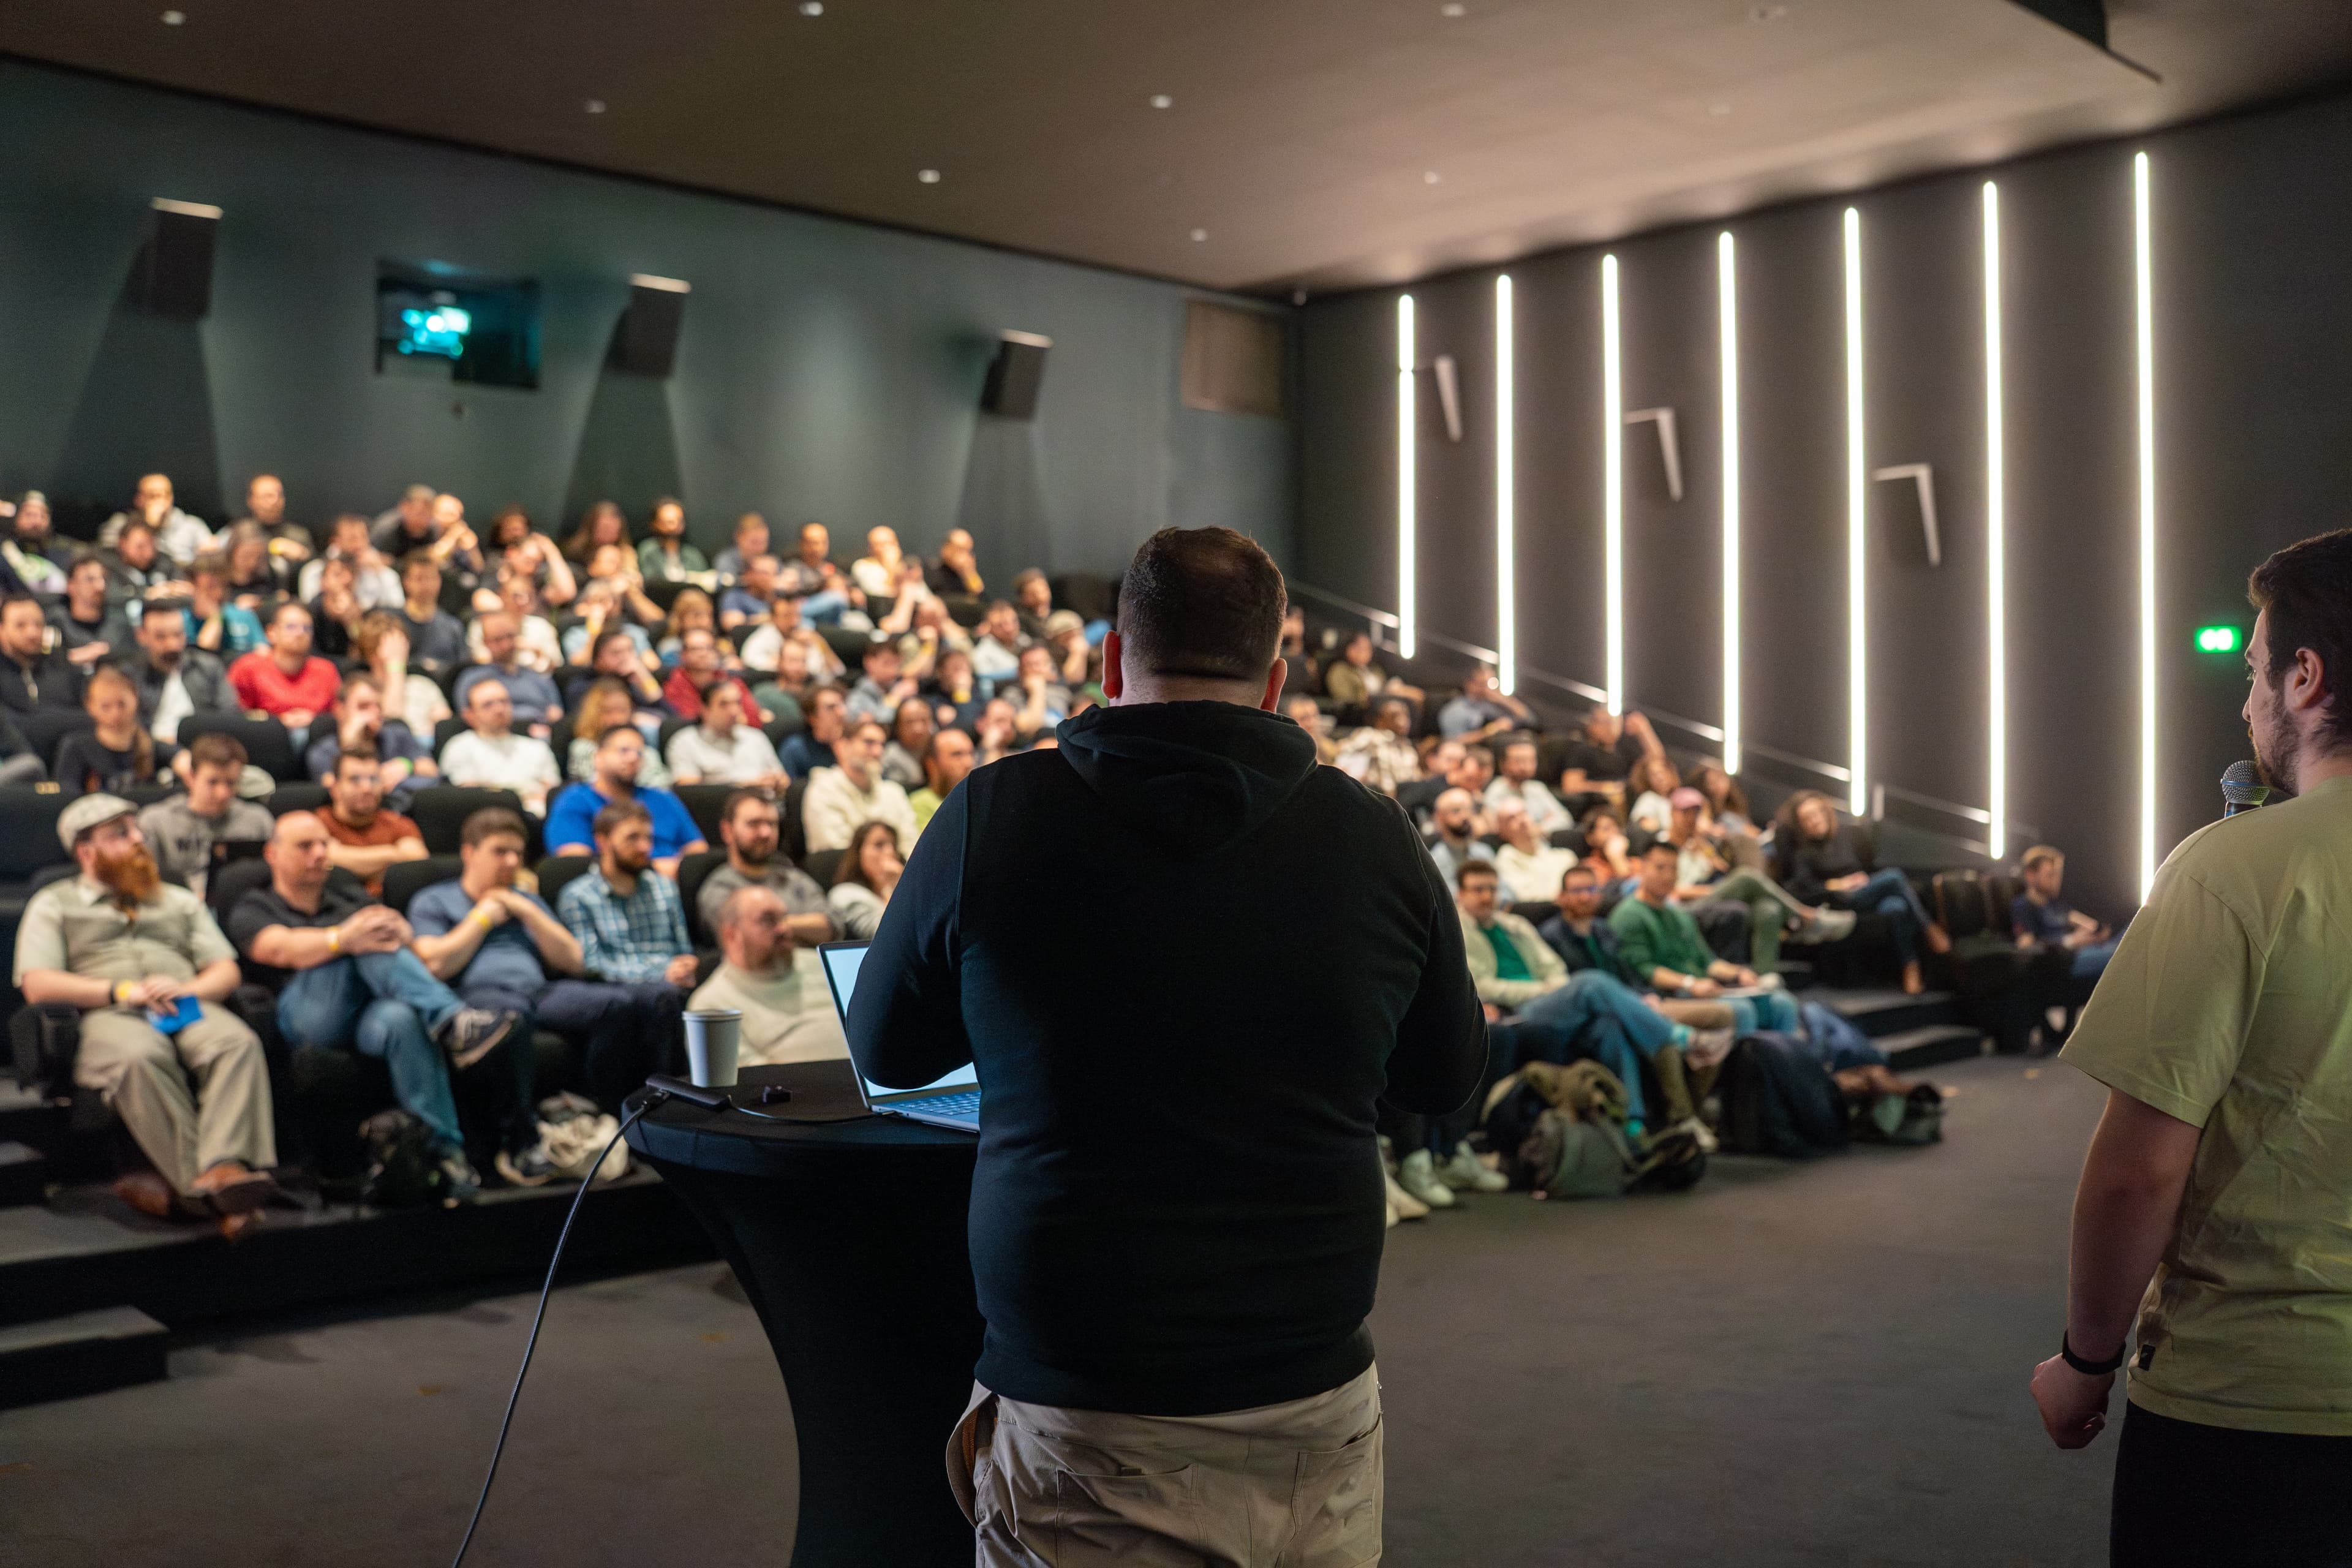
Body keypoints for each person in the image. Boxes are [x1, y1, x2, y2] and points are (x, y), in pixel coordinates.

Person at [846, 526, 1484, 1566]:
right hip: (1312, 1399)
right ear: (1275, 680)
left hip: (1082, 1412)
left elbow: (887, 1050)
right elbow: (1445, 1075)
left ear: (1111, 660)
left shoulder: (995, 814)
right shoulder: (1377, 835)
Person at [2029, 530, 2352, 1563]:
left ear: (2305, 679)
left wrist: (2086, 1361)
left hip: (2261, 1409)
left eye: (2254, 672)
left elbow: (2140, 1170)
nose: (2246, 705)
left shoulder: (2232, 868)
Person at [230, 812, 534, 1196]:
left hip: (368, 1012)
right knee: (365, 939)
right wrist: (344, 939)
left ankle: (444, 1155)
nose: (320, 854)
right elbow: (279, 948)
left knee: (401, 1018)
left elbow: (403, 947)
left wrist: (404, 935)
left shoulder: (349, 897)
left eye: (324, 844)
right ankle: (453, 1020)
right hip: (306, 1013)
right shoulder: (255, 905)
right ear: (272, 854)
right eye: (305, 846)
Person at [15, 795, 276, 1235]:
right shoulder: (54, 903)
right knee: (139, 1056)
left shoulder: (178, 900)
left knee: (235, 1041)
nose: (139, 839)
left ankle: (223, 1169)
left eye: (137, 829)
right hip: (108, 1012)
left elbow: (226, 969)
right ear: (87, 851)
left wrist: (191, 989)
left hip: (185, 1001)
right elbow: (38, 984)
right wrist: (121, 991)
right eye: (121, 834)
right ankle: (213, 1193)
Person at [412, 807, 684, 1111]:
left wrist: (526, 910)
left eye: (518, 853)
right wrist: (482, 917)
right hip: (478, 994)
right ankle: (520, 1132)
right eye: (500, 852)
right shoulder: (434, 900)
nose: (512, 861)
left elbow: (574, 961)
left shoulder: (527, 901)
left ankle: (604, 1111)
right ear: (469, 853)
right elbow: (436, 965)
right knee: (513, 1016)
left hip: (539, 992)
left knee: (617, 1004)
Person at [1455, 858, 1719, 1153]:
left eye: (1492, 889)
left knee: (1610, 1026)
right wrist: (1542, 989)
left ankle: (1631, 1124)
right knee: (1591, 982)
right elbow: (1481, 985)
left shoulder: (1516, 925)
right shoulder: (1459, 931)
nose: (1487, 896)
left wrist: (1552, 987)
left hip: (1551, 1002)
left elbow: (1555, 969)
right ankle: (1678, 1037)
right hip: (1516, 1014)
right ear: (1461, 894)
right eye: (1478, 890)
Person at [1611, 839, 1800, 1036]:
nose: (1668, 876)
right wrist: (1690, 983)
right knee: (1742, 1011)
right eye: (1660, 868)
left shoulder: (1680, 915)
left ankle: (1785, 1055)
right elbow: (1643, 970)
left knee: (1782, 1003)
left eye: (1674, 869)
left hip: (1704, 989)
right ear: (1642, 868)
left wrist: (1738, 974)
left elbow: (1707, 961)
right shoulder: (1629, 915)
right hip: (1668, 996)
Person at [1772, 788, 1951, 994]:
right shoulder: (1803, 853)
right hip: (1839, 900)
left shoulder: (1847, 836)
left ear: (1826, 813)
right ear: (1801, 825)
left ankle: (1910, 967)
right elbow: (1803, 889)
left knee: (1897, 907)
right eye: (1807, 819)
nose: (1814, 821)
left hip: (1865, 892)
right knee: (1894, 877)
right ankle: (1930, 929)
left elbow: (1868, 868)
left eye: (1817, 814)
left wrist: (1862, 880)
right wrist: (1840, 884)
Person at [687, 885, 848, 1066]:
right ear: (731, 935)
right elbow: (750, 1077)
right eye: (768, 920)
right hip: (805, 1083)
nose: (784, 928)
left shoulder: (822, 963)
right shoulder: (711, 1006)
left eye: (784, 918)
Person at [557, 798, 697, 997]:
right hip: (620, 994)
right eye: (633, 838)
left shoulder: (665, 887)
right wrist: (659, 975)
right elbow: (592, 966)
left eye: (648, 838)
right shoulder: (578, 896)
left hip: (674, 986)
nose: (644, 847)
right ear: (603, 842)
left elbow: (684, 950)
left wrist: (687, 966)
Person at [545, 726, 707, 874]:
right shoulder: (575, 800)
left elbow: (697, 849)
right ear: (598, 757)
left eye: (639, 753)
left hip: (675, 883)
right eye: (624, 750)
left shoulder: (662, 798)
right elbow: (574, 863)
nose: (633, 758)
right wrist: (655, 870)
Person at [139, 731, 272, 895]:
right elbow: (144, 882)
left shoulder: (258, 820)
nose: (222, 793)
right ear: (191, 777)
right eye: (213, 782)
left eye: (231, 783)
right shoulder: (156, 822)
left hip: (240, 903)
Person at [697, 788, 834, 944]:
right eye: (754, 824)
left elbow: (832, 926)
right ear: (727, 831)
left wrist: (778, 924)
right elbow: (745, 938)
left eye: (772, 824)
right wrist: (804, 927)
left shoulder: (794, 878)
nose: (766, 833)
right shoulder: (719, 888)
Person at [303, 673, 437, 808]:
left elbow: (431, 769)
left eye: (378, 706)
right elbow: (336, 791)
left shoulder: (397, 734)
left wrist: (408, 765)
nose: (374, 713)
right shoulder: (322, 752)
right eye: (364, 706)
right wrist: (351, 742)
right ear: (340, 710)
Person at [439, 678, 562, 813]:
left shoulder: (537, 747)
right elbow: (470, 795)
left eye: (504, 701)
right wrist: (521, 797)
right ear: (470, 715)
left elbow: (552, 791)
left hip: (539, 814)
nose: (499, 709)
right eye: (488, 705)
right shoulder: (459, 747)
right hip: (489, 816)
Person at [2011, 844, 2119, 996]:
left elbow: (2089, 924)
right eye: (2050, 875)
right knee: (2121, 956)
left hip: (2084, 952)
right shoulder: (2023, 906)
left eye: (2058, 875)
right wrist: (2071, 941)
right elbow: (2026, 945)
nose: (2056, 881)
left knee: (2126, 940)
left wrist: (2096, 933)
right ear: (2030, 875)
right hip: (2064, 962)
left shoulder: (2057, 905)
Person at [315, 748, 426, 895]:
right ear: (335, 788)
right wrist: (395, 855)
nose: (367, 788)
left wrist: (344, 860)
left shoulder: (398, 823)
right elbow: (325, 859)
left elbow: (418, 861)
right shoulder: (317, 824)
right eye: (355, 780)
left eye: (373, 779)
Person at [120, 599, 231, 744]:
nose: (172, 645)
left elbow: (230, 716)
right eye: (161, 637)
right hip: (153, 751)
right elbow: (129, 728)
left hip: (205, 747)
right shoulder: (129, 676)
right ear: (141, 636)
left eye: (178, 635)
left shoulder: (209, 667)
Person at [802, 715, 918, 853]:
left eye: (882, 745)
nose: (878, 752)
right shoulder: (823, 790)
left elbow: (911, 846)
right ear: (843, 746)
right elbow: (833, 851)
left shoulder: (894, 792)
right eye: (869, 743)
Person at [56, 667, 174, 795]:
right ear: (90, 706)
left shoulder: (150, 744)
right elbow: (67, 796)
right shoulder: (76, 747)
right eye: (106, 706)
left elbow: (181, 760)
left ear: (136, 698)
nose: (115, 714)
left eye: (122, 704)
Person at [227, 600, 339, 734]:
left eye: (307, 628)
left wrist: (315, 720)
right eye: (291, 627)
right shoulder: (248, 667)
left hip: (316, 738)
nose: (300, 633)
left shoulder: (326, 670)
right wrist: (277, 722)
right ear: (271, 633)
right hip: (264, 736)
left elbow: (339, 714)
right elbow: (236, 715)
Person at [666, 680, 786, 789]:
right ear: (705, 710)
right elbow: (688, 790)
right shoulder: (686, 742)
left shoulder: (756, 737)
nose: (734, 711)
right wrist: (747, 786)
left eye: (738, 703)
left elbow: (783, 779)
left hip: (768, 803)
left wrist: (778, 781)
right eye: (724, 704)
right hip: (719, 805)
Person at [353, 609, 451, 738]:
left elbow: (446, 731)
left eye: (402, 644)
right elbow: (392, 721)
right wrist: (395, 665)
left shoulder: (423, 685)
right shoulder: (360, 691)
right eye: (390, 646)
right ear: (371, 652)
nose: (399, 650)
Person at [455, 611, 563, 727]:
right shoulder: (472, 680)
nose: (506, 645)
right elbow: (467, 716)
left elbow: (556, 713)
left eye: (510, 637)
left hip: (539, 733)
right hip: (495, 733)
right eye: (498, 640)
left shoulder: (537, 677)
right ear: (485, 643)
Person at [568, 678, 673, 789]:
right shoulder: (583, 748)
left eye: (622, 711)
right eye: (608, 711)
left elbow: (663, 787)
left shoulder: (647, 753)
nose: (616, 719)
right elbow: (592, 785)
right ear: (593, 714)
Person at [100, 472, 213, 565]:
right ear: (139, 500)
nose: (161, 501)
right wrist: (149, 527)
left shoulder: (192, 525)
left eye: (166, 495)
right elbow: (109, 558)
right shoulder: (121, 524)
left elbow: (211, 555)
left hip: (184, 578)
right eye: (153, 496)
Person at [1556, 706, 1662, 805]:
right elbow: (1571, 786)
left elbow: (1657, 760)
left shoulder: (1624, 750)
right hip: (1598, 805)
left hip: (1629, 802)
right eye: (1606, 722)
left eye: (1616, 722)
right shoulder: (1583, 750)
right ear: (1592, 725)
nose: (1611, 727)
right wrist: (1606, 788)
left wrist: (1644, 730)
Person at [0, 594, 82, 720]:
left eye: (38, 624)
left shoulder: (64, 669)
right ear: (2, 630)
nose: (32, 633)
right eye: (21, 625)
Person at [299, 513, 402, 609]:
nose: (360, 544)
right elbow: (308, 610)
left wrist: (380, 572)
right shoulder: (314, 572)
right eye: (352, 539)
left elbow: (397, 607)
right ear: (336, 542)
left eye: (363, 537)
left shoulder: (382, 572)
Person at [482, 505, 576, 608]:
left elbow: (567, 593)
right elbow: (480, 597)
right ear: (511, 553)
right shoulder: (495, 572)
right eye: (528, 561)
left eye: (537, 564)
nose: (532, 568)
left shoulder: (537, 582)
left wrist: (553, 553)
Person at [660, 627, 760, 723]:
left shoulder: (732, 682)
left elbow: (754, 719)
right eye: (695, 649)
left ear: (716, 653)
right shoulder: (674, 685)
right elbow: (689, 720)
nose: (703, 654)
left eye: (709, 648)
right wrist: (735, 718)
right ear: (683, 655)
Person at [1489, 796, 1577, 901]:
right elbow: (1525, 897)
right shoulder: (1505, 859)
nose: (1522, 821)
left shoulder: (1566, 856)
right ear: (1501, 830)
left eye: (1524, 813)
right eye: (1512, 818)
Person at [825, 818, 901, 939]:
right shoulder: (846, 894)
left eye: (894, 846)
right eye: (879, 845)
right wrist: (891, 887)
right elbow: (888, 934)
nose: (890, 852)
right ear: (859, 852)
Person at [1486, 731, 1572, 837]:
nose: (1525, 767)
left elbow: (1565, 819)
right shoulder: (1496, 790)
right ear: (1503, 763)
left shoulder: (1537, 788)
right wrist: (1546, 820)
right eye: (1519, 761)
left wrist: (1539, 829)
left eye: (1530, 760)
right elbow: (1502, 829)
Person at [51, 554, 131, 666]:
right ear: (71, 586)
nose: (100, 586)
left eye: (104, 579)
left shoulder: (120, 623)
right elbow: (46, 662)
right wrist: (78, 656)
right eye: (90, 579)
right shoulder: (56, 622)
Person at [1325, 630, 1427, 717]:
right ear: (1347, 648)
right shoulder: (1339, 670)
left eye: (1367, 648)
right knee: (1405, 703)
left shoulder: (1375, 669)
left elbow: (1385, 686)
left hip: (1384, 700)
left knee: (1417, 695)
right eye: (1358, 647)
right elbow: (1346, 699)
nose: (1363, 652)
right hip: (1364, 709)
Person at [1334, 695, 1422, 795]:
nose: (1404, 722)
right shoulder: (1370, 736)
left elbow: (1416, 777)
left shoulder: (1408, 748)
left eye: (1406, 716)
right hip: (1377, 793)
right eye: (1395, 716)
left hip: (1404, 794)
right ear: (1381, 720)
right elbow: (1344, 750)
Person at [1427, 785, 1504, 897]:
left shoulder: (1484, 852)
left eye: (1469, 810)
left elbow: (1505, 890)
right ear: (1440, 817)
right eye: (1456, 811)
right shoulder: (1436, 860)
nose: (1465, 816)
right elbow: (1447, 898)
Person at [393, 554, 467, 671]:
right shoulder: (393, 623)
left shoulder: (453, 627)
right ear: (406, 582)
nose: (426, 586)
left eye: (431, 578)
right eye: (419, 579)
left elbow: (461, 669)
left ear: (440, 581)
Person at [100, 520, 191, 609]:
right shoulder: (106, 565)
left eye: (152, 546)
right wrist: (146, 594)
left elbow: (184, 588)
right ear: (122, 544)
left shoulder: (163, 561)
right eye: (140, 546)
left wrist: (172, 589)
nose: (149, 554)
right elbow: (110, 596)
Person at [231, 473, 312, 570]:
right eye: (268, 496)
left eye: (279, 495)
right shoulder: (240, 532)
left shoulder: (298, 534)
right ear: (251, 500)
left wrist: (303, 556)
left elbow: (314, 569)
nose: (274, 501)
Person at [908, 727, 974, 834]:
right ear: (931, 764)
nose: (969, 763)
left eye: (971, 754)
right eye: (957, 754)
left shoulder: (978, 800)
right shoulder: (919, 803)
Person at [846, 637, 920, 725]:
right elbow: (878, 726)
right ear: (869, 663)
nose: (894, 671)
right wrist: (894, 697)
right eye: (887, 663)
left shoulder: (900, 688)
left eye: (897, 664)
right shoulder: (857, 697)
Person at [778, 685, 845, 778]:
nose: (841, 713)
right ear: (812, 718)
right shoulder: (796, 748)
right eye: (831, 708)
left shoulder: (853, 743)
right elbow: (790, 785)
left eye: (842, 705)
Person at [635, 496, 707, 583]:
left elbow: (704, 581)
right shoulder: (648, 551)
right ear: (655, 523)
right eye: (668, 522)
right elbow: (649, 581)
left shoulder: (692, 554)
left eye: (679, 521)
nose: (674, 526)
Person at [881, 697, 933, 789]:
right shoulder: (890, 758)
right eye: (910, 722)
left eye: (924, 720)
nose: (918, 729)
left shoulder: (940, 749)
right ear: (898, 727)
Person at [559, 499, 629, 567]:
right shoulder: (574, 552)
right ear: (592, 527)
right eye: (605, 529)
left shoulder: (625, 554)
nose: (609, 535)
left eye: (614, 531)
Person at [970, 599, 1024, 685]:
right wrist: (1021, 671)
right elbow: (982, 676)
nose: (1010, 628)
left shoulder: (1025, 640)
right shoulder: (981, 654)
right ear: (988, 627)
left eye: (1014, 621)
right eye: (1001, 625)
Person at [718, 552, 776, 631]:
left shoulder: (780, 596)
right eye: (763, 573)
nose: (769, 578)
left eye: (773, 573)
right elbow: (733, 626)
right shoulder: (735, 597)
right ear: (749, 574)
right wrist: (769, 618)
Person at [927, 526, 984, 599]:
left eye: (968, 551)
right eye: (960, 550)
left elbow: (981, 600)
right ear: (946, 548)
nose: (964, 556)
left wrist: (970, 573)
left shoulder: (967, 576)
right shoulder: (931, 570)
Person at [712, 511, 770, 580]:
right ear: (739, 537)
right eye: (754, 542)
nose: (759, 548)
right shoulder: (725, 560)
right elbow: (726, 582)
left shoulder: (771, 562)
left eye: (763, 543)